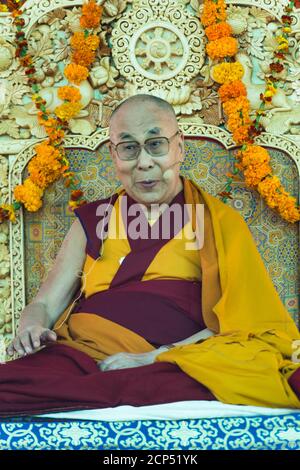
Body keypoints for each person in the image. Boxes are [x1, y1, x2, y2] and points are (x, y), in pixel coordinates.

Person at [1, 94, 300, 417]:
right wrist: (30, 328)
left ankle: (129, 381)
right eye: (129, 147)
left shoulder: (218, 221)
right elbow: (45, 304)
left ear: (179, 148)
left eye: (156, 144)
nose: (144, 162)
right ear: (114, 155)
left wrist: (153, 357)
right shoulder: (93, 220)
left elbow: (242, 324)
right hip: (83, 354)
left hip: (172, 361)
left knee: (207, 377)